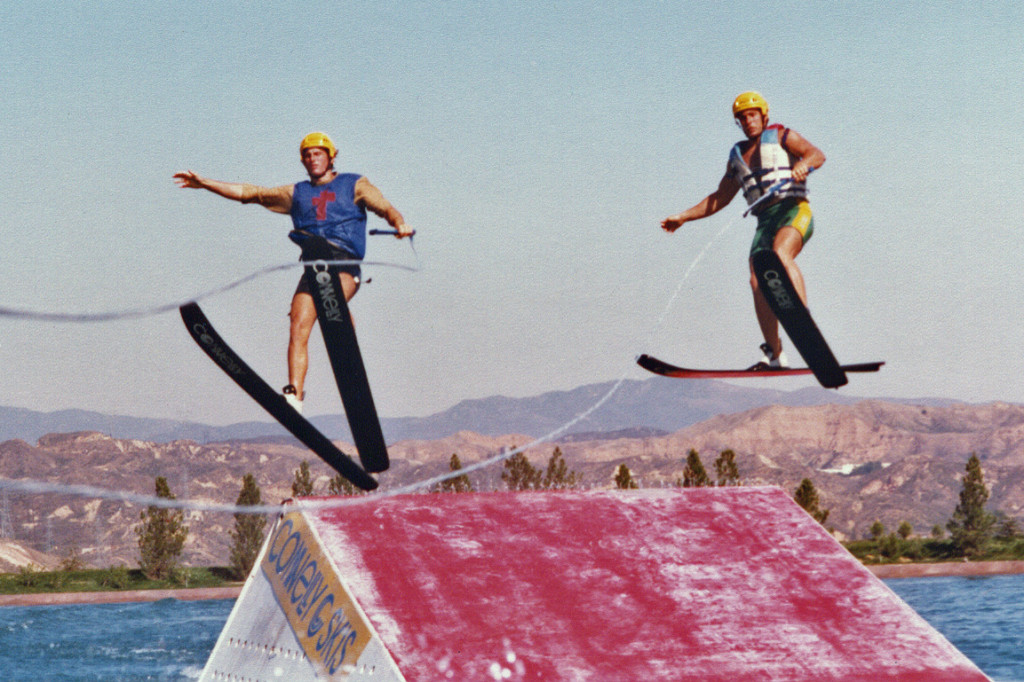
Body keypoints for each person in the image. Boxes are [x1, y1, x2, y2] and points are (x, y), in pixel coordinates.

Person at [174, 132, 413, 413]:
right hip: (312, 265)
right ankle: (294, 396)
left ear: (331, 157)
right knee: (298, 322)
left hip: (343, 263)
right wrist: (205, 184)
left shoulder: (354, 184)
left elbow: (385, 207)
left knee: (332, 302)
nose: (313, 159)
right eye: (308, 155)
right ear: (303, 160)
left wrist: (400, 223)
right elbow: (250, 193)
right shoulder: (296, 193)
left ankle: (347, 345)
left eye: (319, 154)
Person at [660, 91, 825, 369]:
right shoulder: (737, 155)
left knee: (780, 255)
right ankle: (775, 353)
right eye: (742, 118)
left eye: (752, 115)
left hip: (793, 210)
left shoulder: (783, 136)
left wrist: (803, 165)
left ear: (763, 115)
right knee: (756, 280)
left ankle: (803, 324)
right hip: (765, 221)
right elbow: (720, 198)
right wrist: (684, 217)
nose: (748, 121)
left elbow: (815, 154)